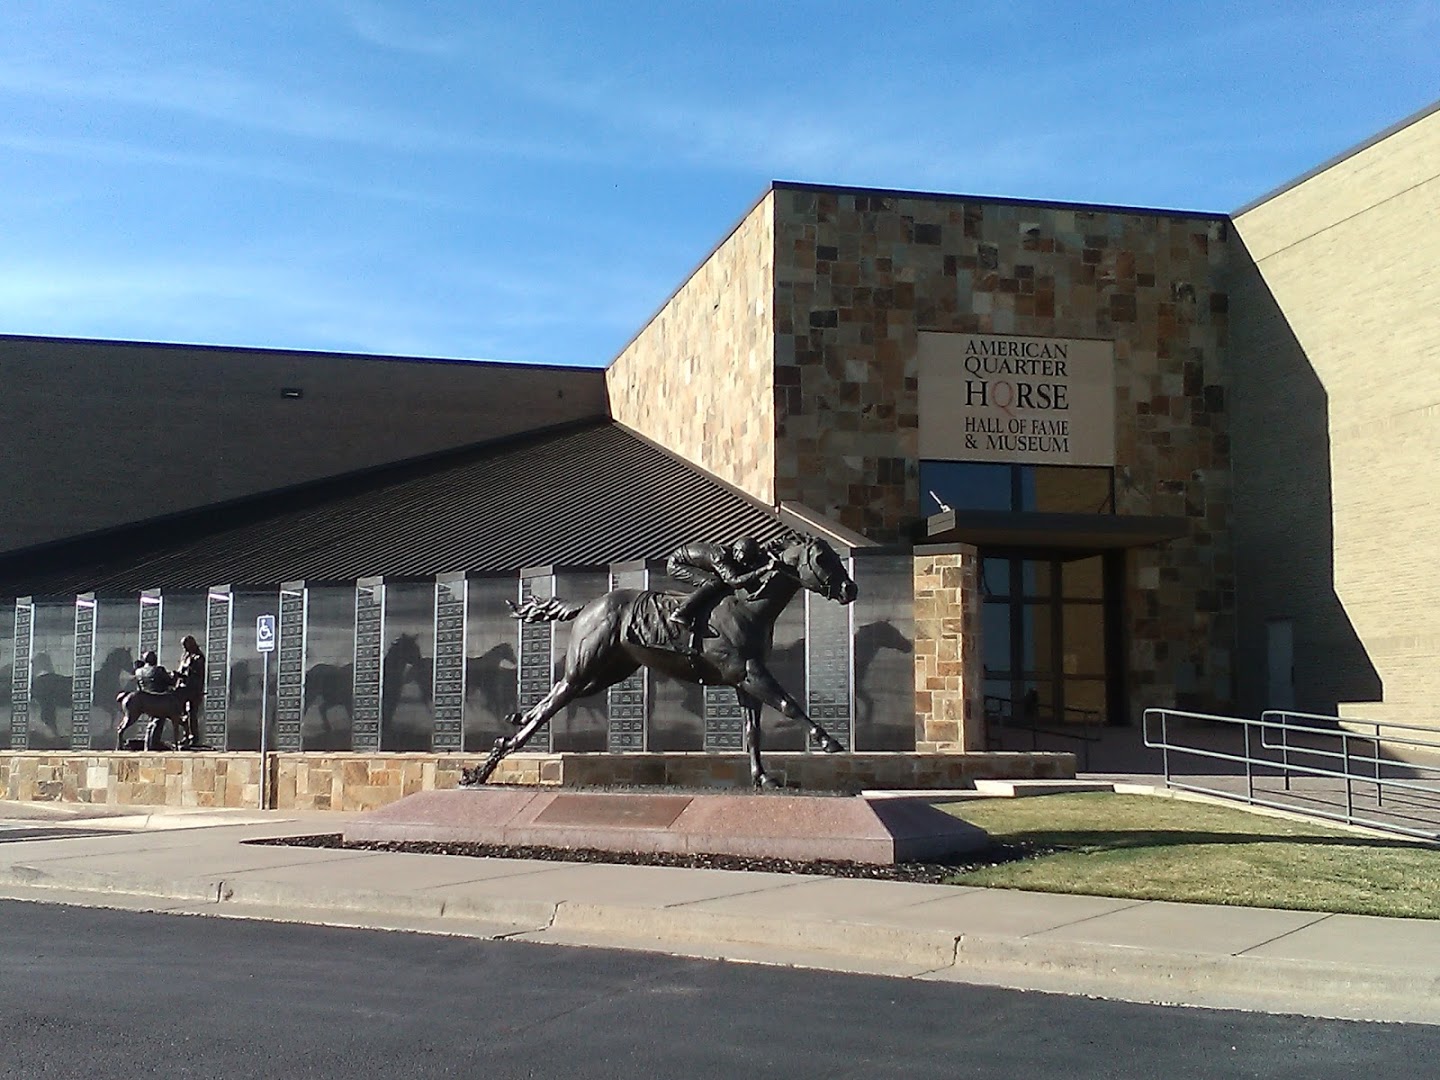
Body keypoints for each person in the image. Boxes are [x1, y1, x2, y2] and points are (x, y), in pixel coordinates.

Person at [665, 536, 777, 651]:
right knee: (714, 582)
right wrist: (764, 569)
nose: (744, 564)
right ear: (736, 551)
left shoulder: (734, 555)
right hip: (677, 564)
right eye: (743, 559)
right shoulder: (721, 557)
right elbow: (734, 581)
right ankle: (681, 613)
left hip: (691, 559)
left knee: (720, 585)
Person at [172, 635, 205, 749]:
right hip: (183, 688)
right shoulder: (185, 656)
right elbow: (182, 669)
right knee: (182, 713)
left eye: (185, 645)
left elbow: (196, 674)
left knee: (192, 713)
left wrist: (183, 674)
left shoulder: (198, 657)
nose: (184, 648)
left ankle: (193, 737)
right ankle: (186, 735)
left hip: (193, 690)